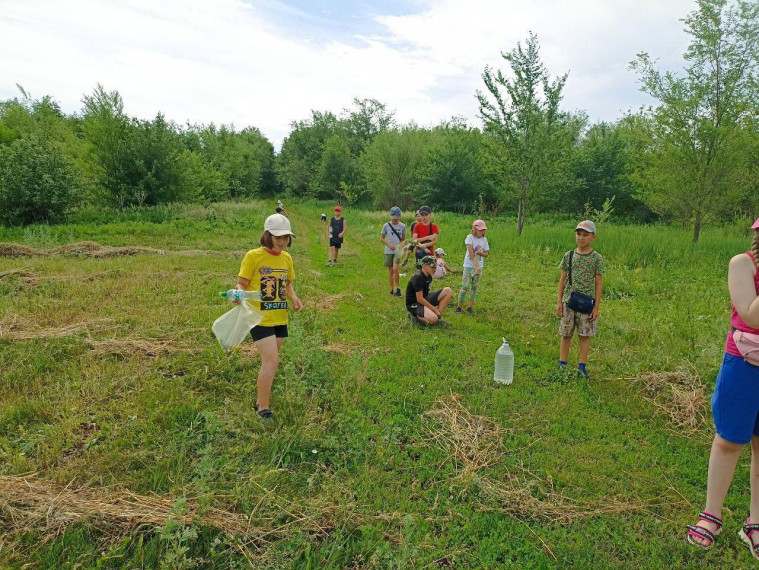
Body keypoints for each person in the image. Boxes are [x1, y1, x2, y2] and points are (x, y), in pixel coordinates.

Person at [686, 218, 759, 560]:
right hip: (745, 365)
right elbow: (751, 314)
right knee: (730, 440)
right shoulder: (741, 264)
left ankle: (755, 523)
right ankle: (711, 514)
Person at [233, 213, 303, 422]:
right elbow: (241, 284)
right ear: (267, 235)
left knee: (271, 361)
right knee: (271, 361)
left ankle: (261, 396)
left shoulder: (286, 258)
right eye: (277, 237)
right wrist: (238, 293)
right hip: (258, 318)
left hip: (280, 316)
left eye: (286, 237)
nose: (282, 241)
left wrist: (294, 298)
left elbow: (287, 283)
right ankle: (263, 408)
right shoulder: (253, 256)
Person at [555, 220, 604, 379]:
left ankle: (582, 367)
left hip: (587, 304)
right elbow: (562, 279)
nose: (581, 238)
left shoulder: (596, 258)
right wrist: (559, 302)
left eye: (585, 235)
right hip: (569, 302)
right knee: (566, 333)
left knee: (584, 335)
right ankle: (563, 364)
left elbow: (598, 282)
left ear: (593, 237)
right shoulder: (569, 255)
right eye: (578, 234)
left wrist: (596, 307)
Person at [405, 255, 453, 327]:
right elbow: (419, 299)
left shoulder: (429, 276)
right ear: (424, 266)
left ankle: (438, 319)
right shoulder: (418, 277)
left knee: (448, 291)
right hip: (414, 303)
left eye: (435, 267)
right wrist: (434, 309)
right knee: (433, 319)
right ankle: (414, 316)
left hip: (425, 298)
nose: (434, 269)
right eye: (432, 267)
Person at [455, 220, 490, 314]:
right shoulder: (469, 238)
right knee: (465, 286)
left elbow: (486, 254)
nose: (482, 231)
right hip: (469, 266)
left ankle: (470, 307)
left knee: (474, 287)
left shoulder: (484, 240)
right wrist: (475, 261)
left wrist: (480, 253)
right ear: (474, 229)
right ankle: (459, 307)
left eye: (483, 230)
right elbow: (471, 253)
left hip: (479, 267)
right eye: (480, 230)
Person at [381, 206, 406, 296]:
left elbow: (403, 240)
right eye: (393, 218)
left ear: (399, 217)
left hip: (397, 252)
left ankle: (398, 288)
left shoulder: (402, 226)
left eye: (396, 218)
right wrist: (389, 245)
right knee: (391, 270)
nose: (395, 220)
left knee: (395, 269)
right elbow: (382, 238)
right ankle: (392, 288)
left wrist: (403, 246)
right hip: (388, 251)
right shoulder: (386, 225)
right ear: (390, 217)